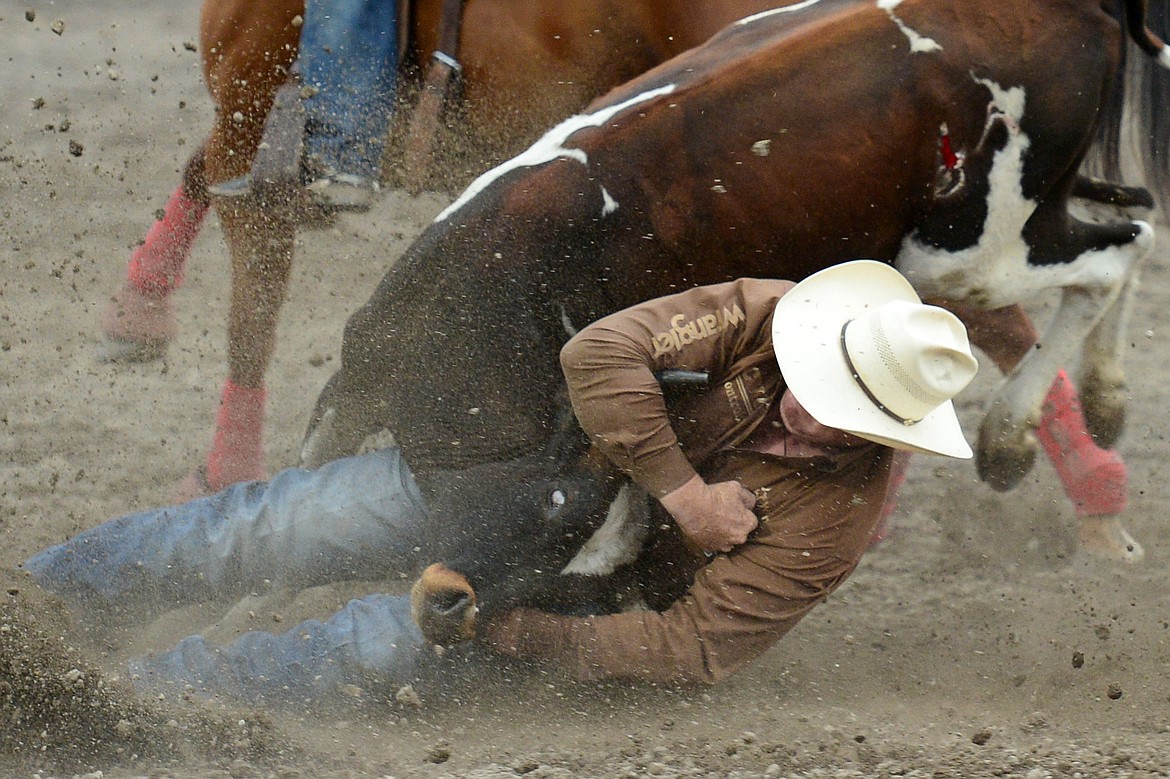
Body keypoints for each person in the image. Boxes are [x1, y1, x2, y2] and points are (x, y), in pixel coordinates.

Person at [25, 261, 978, 704]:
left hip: (564, 585)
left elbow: (692, 647)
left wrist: (511, 631)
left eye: (841, 413)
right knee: (270, 522)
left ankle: (128, 700)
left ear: (880, 434)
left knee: (377, 646)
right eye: (818, 382)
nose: (807, 409)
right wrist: (685, 492)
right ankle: (28, 607)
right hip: (513, 481)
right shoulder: (768, 316)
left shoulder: (831, 523)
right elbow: (602, 352)